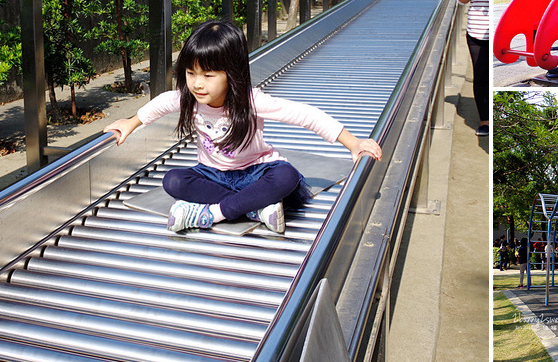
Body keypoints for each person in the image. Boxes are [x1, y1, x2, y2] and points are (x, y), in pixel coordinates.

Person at [103, 21, 382, 233]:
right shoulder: (189, 99)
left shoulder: (250, 101)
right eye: (191, 73)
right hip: (213, 174)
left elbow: (303, 114)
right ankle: (253, 209)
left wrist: (353, 142)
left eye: (208, 75)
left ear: (231, 75)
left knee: (287, 177)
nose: (198, 83)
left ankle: (211, 215)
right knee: (173, 181)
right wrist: (131, 122)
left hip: (257, 171)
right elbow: (162, 103)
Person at [457, 0, 491, 137]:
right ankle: (485, 121)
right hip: (476, 31)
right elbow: (460, 0)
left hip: (495, 30)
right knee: (480, 77)